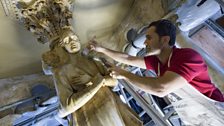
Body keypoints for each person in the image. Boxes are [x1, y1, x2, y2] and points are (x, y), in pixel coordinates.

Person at [88, 19, 224, 125]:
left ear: (165, 39)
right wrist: (101, 49)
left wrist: (123, 74)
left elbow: (161, 88)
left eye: (149, 38)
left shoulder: (187, 57)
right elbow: (128, 58)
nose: (145, 43)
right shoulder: (157, 62)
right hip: (195, 119)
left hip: (217, 115)